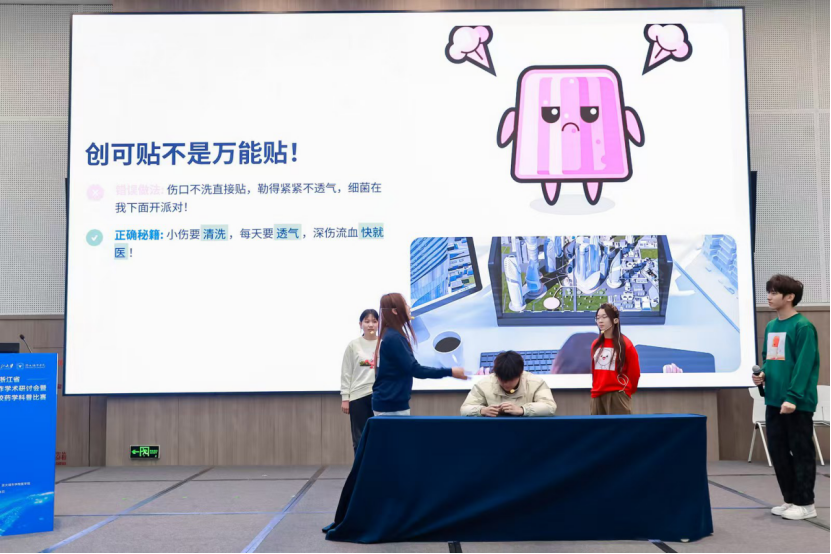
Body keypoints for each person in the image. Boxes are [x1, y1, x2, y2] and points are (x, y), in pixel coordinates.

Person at [752, 275, 819, 521]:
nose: (768, 297)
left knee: (801, 451)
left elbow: (804, 365)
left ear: (789, 297)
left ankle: (806, 503)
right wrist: (763, 373)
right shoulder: (771, 326)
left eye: (774, 292)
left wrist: (792, 397)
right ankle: (790, 499)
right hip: (773, 400)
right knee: (778, 451)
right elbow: (770, 358)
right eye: (768, 292)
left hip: (796, 402)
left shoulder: (803, 326)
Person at [372, 293, 467, 415]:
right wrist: (450, 372)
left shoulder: (390, 335)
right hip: (391, 406)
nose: (409, 307)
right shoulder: (394, 338)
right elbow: (415, 369)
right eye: (405, 304)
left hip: (389, 403)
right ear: (395, 311)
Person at [461, 350, 556, 416]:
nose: (506, 384)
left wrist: (523, 410)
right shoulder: (483, 384)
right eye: (502, 379)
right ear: (496, 374)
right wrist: (482, 411)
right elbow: (465, 409)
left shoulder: (536, 382)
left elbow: (550, 407)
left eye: (510, 380)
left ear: (520, 373)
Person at [340, 309, 379, 454]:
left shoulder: (383, 343)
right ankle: (360, 468)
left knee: (378, 436)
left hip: (379, 396)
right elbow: (346, 372)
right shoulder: (353, 345)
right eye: (367, 321)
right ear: (360, 324)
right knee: (359, 439)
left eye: (374, 321)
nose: (371, 325)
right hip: (358, 396)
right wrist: (345, 398)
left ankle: (377, 467)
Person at [590, 303, 640, 415]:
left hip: (618, 394)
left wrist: (626, 392)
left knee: (620, 426)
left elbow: (634, 373)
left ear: (615, 320)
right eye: (598, 318)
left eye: (604, 317)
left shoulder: (626, 344)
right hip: (597, 395)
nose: (600, 321)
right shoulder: (596, 344)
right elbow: (594, 372)